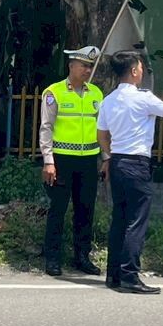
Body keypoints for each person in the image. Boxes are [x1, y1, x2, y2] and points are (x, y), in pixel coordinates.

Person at [95, 51, 163, 295]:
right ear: (133, 71)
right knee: (136, 222)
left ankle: (114, 275)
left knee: (119, 220)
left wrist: (108, 157)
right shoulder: (142, 98)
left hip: (118, 162)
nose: (142, 71)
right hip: (137, 164)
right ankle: (130, 276)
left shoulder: (108, 100)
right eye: (141, 67)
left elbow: (101, 134)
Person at [39, 45, 105, 277]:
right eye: (83, 65)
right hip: (61, 160)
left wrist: (105, 157)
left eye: (90, 66)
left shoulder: (96, 94)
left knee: (85, 210)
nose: (87, 69)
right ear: (71, 66)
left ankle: (82, 257)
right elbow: (46, 128)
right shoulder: (54, 92)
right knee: (58, 210)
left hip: (88, 160)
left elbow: (101, 130)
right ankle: (53, 258)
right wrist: (48, 160)